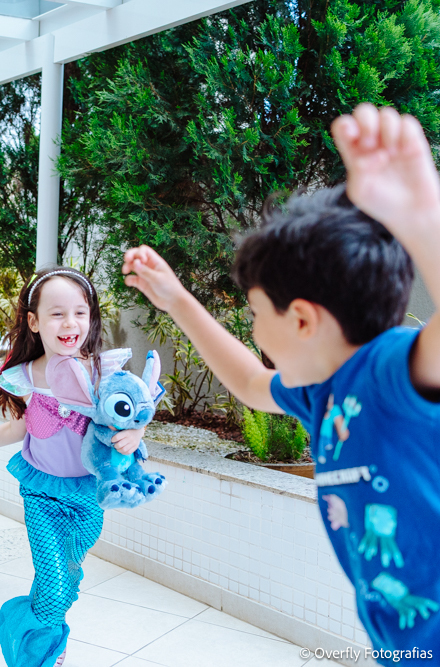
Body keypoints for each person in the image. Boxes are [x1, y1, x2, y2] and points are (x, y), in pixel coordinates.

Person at [122, 104, 440, 655]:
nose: (254, 331)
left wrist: (419, 216)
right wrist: (175, 300)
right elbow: (248, 381)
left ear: (300, 320)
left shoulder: (391, 371)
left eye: (253, 313)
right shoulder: (325, 391)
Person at [0, 266, 146, 667]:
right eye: (57, 313)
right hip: (42, 496)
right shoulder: (28, 376)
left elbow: (137, 409)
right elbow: (19, 429)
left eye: (80, 312)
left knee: (62, 581)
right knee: (52, 586)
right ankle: (43, 655)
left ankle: (23, 625)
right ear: (34, 321)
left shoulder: (102, 372)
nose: (70, 323)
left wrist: (135, 435)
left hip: (88, 498)